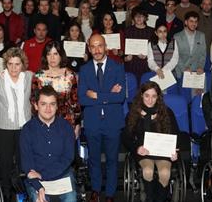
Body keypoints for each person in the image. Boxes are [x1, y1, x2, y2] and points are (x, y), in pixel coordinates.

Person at [78, 34, 126, 202]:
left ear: (106, 47)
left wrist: (96, 95)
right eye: (93, 46)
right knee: (94, 159)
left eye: (100, 46)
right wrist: (108, 95)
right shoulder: (84, 70)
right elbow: (83, 99)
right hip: (92, 122)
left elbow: (120, 97)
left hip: (113, 122)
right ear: (89, 49)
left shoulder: (118, 67)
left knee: (112, 160)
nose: (97, 50)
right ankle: (96, 190)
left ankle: (111, 194)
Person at [122, 82, 187, 202]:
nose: (150, 100)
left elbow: (176, 134)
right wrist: (137, 148)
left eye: (154, 96)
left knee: (165, 172)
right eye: (147, 95)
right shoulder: (134, 112)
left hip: (162, 151)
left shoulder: (167, 112)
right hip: (143, 151)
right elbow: (126, 137)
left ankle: (160, 199)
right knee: (147, 170)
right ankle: (150, 198)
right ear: (141, 95)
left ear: (158, 97)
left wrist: (174, 149)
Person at [20, 86, 77, 202]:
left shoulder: (66, 127)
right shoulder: (27, 130)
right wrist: (38, 186)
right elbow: (27, 164)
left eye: (52, 104)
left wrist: (43, 175)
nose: (48, 108)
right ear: (36, 106)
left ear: (57, 106)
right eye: (43, 104)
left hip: (62, 175)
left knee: (71, 199)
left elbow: (67, 158)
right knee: (39, 199)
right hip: (36, 178)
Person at [0, 48, 33, 200]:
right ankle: (7, 192)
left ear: (23, 64)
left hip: (25, 127)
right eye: (10, 64)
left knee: (24, 161)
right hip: (4, 126)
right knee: (5, 162)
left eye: (17, 64)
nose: (14, 68)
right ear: (5, 64)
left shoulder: (30, 77)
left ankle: (23, 192)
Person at [31, 41, 81, 132]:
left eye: (55, 54)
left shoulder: (70, 75)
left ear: (61, 55)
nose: (52, 58)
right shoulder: (38, 76)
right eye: (49, 54)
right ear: (45, 56)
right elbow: (34, 101)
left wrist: (77, 124)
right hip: (44, 122)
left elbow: (75, 101)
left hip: (67, 122)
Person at [173, 12, 206, 79]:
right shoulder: (177, 37)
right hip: (180, 71)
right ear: (185, 22)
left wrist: (200, 67)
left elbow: (203, 54)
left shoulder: (201, 36)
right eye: (191, 21)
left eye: (196, 22)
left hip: (196, 71)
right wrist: (184, 69)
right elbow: (176, 56)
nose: (194, 24)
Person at [124, 9, 154, 81]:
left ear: (145, 18)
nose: (139, 18)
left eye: (141, 16)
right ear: (133, 18)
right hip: (130, 64)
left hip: (145, 65)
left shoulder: (151, 31)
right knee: (132, 87)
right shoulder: (127, 30)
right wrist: (125, 58)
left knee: (145, 87)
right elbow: (122, 49)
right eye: (136, 16)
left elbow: (154, 49)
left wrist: (146, 56)